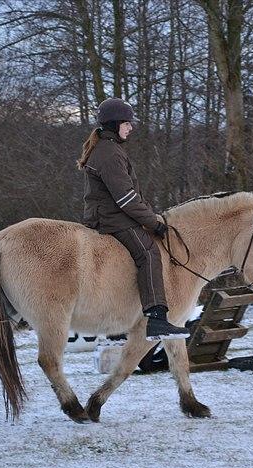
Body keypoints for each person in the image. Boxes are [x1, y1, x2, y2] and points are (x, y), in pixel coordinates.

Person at [77, 98, 190, 341]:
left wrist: (150, 216)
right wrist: (154, 224)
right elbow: (126, 200)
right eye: (127, 124)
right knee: (149, 252)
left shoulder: (110, 149)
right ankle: (157, 319)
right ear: (114, 124)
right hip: (111, 219)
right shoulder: (109, 153)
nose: (130, 128)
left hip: (112, 214)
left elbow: (131, 196)